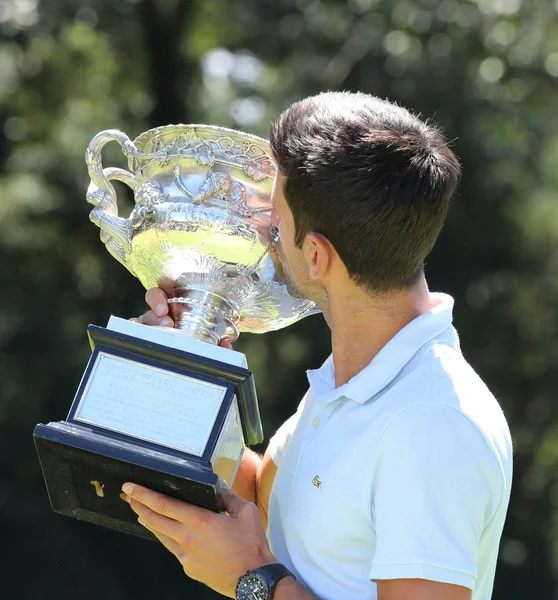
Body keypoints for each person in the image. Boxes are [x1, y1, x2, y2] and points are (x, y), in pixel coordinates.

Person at [121, 91, 513, 600]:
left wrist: (254, 581)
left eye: (275, 222)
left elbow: (258, 565)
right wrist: (182, 370)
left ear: (315, 255)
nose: (264, 237)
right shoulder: (356, 373)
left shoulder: (431, 423)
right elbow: (277, 510)